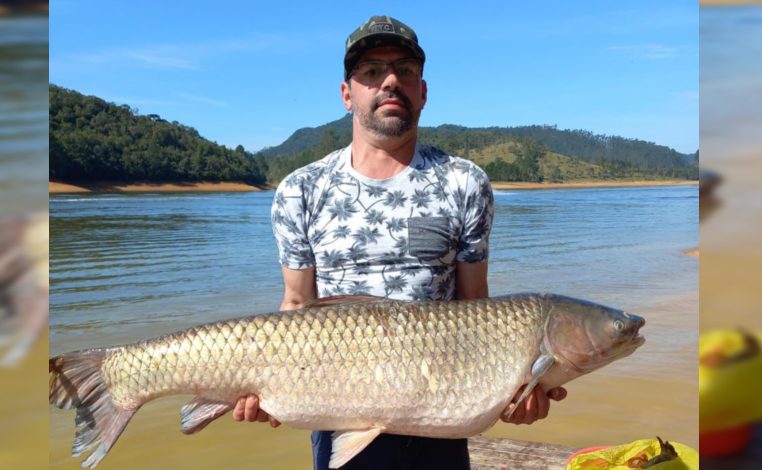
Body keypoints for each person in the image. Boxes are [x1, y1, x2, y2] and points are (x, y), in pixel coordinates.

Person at [232, 15, 567, 469]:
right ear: (347, 94)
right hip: (338, 405)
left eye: (404, 71)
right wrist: (259, 384)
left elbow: (477, 306)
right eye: (372, 72)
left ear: (422, 92)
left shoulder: (464, 182)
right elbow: (296, 305)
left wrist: (512, 390)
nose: (390, 81)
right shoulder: (300, 189)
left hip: (441, 410)